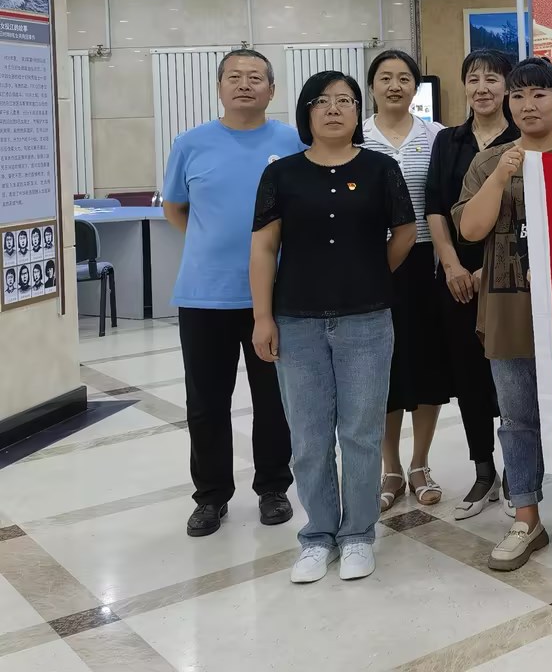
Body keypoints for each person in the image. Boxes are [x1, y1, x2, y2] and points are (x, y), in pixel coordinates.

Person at [250, 71, 416, 584]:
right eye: (321, 101)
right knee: (308, 435)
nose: (334, 109)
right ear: (306, 112)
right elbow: (264, 247)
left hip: (366, 321)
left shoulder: (381, 168)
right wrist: (262, 316)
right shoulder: (281, 174)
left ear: (357, 111)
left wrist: (369, 273)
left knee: (361, 433)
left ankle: (359, 534)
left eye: (345, 100)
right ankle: (318, 535)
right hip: (296, 322)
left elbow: (405, 231)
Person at [453, 57, 552, 574]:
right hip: (507, 306)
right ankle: (526, 518)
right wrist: (502, 173)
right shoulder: (488, 163)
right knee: (517, 418)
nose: (527, 105)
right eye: (518, 95)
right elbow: (470, 231)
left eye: (539, 94)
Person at [162, 48, 301, 538]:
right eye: (235, 77)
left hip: (276, 294)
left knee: (274, 400)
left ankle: (273, 488)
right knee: (206, 402)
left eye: (256, 77)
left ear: (272, 90)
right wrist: (211, 245)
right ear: (220, 86)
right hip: (205, 295)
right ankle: (211, 497)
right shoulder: (190, 143)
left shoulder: (291, 141)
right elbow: (175, 207)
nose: (245, 84)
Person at [425, 49, 515, 520]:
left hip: (510, 278)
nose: (482, 88)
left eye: (492, 79)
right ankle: (483, 469)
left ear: (508, 87)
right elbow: (436, 208)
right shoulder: (448, 141)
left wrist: (489, 269)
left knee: (514, 376)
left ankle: (520, 471)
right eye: (474, 78)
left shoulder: (521, 138)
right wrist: (453, 267)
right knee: (468, 376)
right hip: (457, 279)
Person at [361, 49, 450, 513]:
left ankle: (420, 464)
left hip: (425, 265)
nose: (394, 85)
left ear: (416, 86)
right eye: (385, 77)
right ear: (371, 86)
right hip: (370, 266)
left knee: (426, 366)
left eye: (404, 78)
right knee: (383, 368)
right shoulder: (357, 136)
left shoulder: (436, 136)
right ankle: (390, 468)